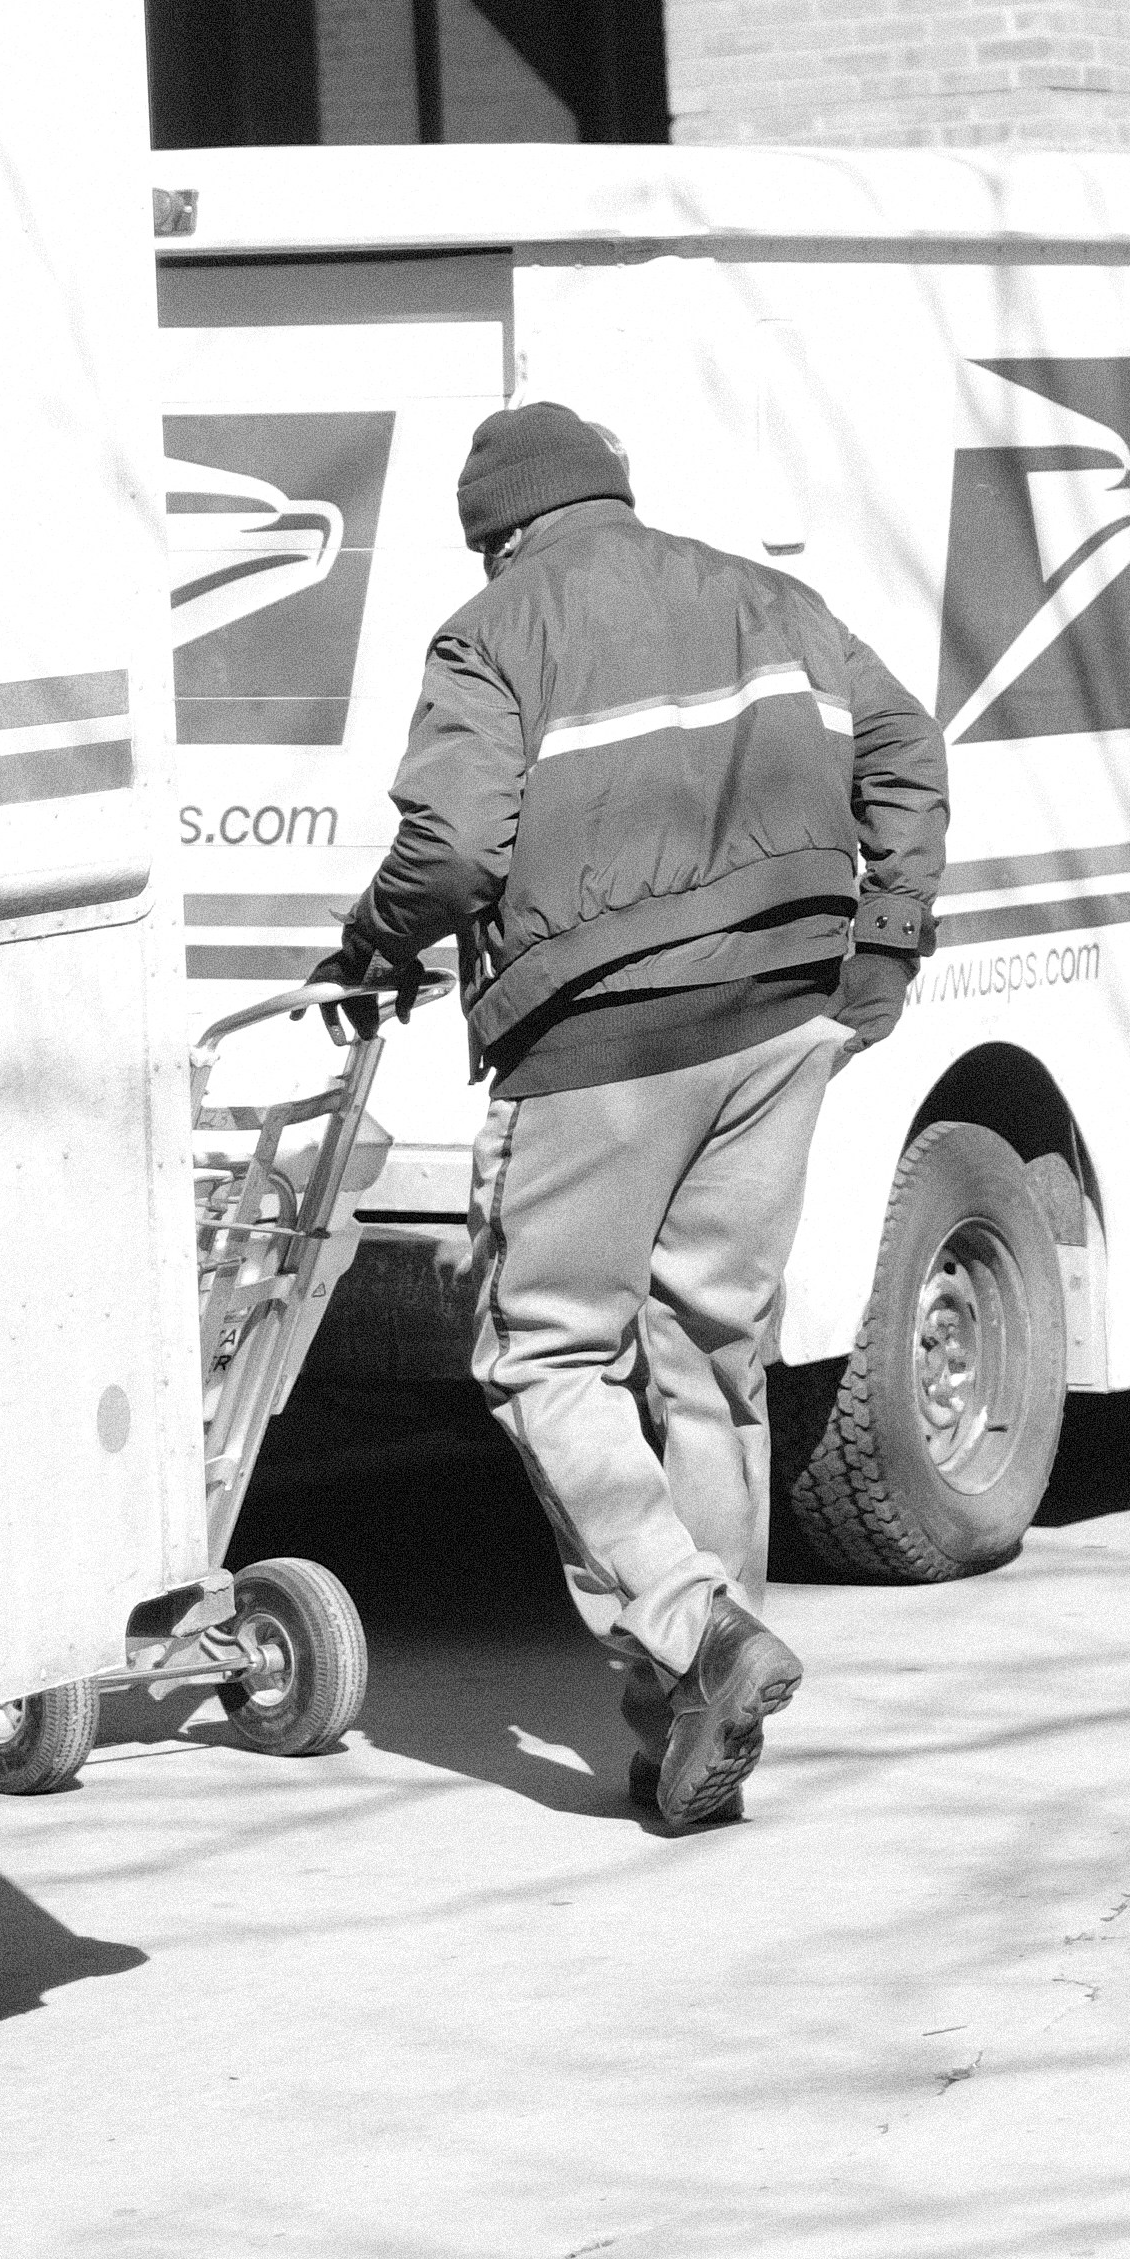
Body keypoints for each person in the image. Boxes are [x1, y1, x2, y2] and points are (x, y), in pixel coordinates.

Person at [315, 401, 948, 1835]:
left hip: (602, 1043)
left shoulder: (495, 631)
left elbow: (453, 846)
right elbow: (907, 749)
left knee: (547, 1356)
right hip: (781, 1024)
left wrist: (372, 941)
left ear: (500, 535)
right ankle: (687, 1729)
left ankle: (696, 1630)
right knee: (712, 1360)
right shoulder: (773, 600)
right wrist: (887, 941)